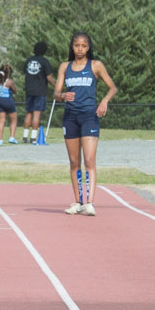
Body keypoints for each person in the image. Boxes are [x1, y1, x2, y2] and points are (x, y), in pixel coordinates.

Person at [54, 32, 117, 216]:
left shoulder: (95, 65)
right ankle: (78, 201)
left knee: (89, 160)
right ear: (72, 47)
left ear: (88, 47)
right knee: (74, 162)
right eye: (76, 45)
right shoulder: (65, 67)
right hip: (70, 117)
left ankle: (89, 202)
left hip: (89, 116)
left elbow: (112, 87)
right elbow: (56, 93)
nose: (80, 49)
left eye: (83, 45)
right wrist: (62, 95)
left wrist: (104, 101)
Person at [22, 41, 56, 143]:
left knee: (29, 113)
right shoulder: (44, 61)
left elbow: (25, 74)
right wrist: (56, 86)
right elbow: (49, 77)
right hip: (40, 91)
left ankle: (24, 137)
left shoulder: (28, 60)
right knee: (36, 114)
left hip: (29, 90)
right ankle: (33, 138)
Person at [0, 64, 18, 144]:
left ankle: (0, 140)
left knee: (1, 121)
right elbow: (15, 90)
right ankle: (12, 137)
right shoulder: (9, 81)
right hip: (7, 100)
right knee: (13, 120)